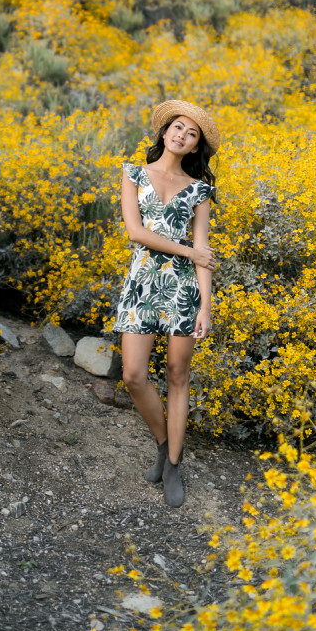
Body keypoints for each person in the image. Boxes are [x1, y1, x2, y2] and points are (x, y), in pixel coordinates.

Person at [114, 99, 219, 507]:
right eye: (178, 127)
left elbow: (204, 252)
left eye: (191, 134)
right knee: (133, 375)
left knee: (178, 374)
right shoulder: (133, 173)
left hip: (183, 291)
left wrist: (205, 307)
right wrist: (189, 252)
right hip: (141, 285)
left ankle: (174, 463)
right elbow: (135, 232)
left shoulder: (199, 190)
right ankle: (163, 444)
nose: (182, 135)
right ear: (164, 131)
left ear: (195, 148)